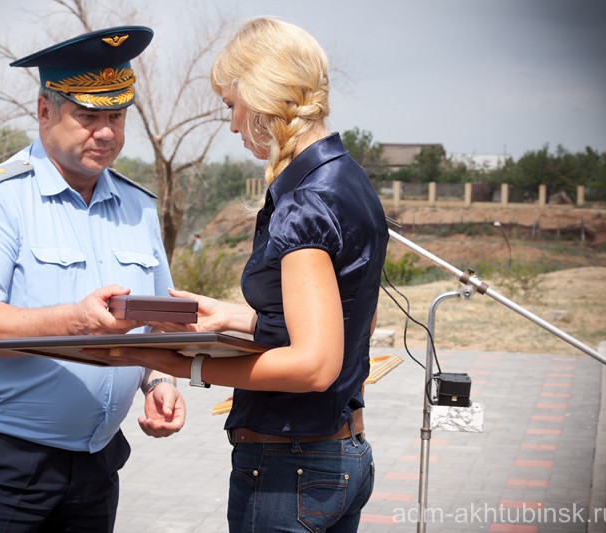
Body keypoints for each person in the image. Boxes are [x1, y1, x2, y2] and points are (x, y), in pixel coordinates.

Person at [85, 17, 389, 532]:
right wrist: (238, 319)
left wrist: (180, 364)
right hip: (341, 454)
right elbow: (350, 315)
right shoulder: (348, 178)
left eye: (232, 105)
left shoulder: (304, 204)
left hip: (289, 468)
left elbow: (314, 366)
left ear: (262, 93)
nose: (230, 125)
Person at [0, 26, 185, 533]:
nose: (107, 132)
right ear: (45, 111)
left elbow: (158, 320)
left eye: (116, 115)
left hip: (96, 465)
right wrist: (76, 320)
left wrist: (160, 380)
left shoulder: (138, 207)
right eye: (88, 116)